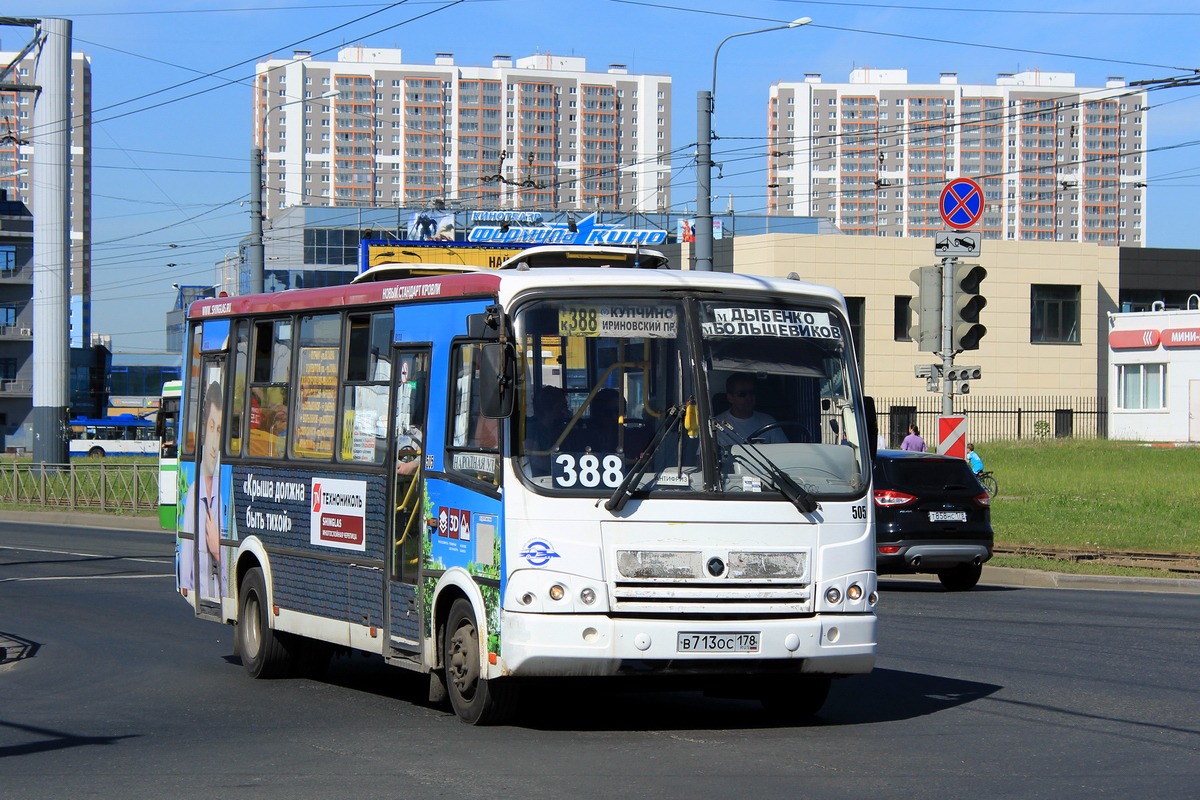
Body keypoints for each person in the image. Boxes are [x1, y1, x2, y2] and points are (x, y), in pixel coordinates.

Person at [180, 379, 226, 601]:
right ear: (203, 431)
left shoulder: (226, 497)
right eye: (211, 427)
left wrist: (218, 552)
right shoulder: (193, 495)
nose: (215, 443)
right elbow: (187, 573)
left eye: (220, 430)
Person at [715, 373, 786, 445]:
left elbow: (784, 451)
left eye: (752, 393)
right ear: (730, 398)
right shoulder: (717, 426)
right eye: (742, 394)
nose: (748, 398)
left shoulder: (768, 421)